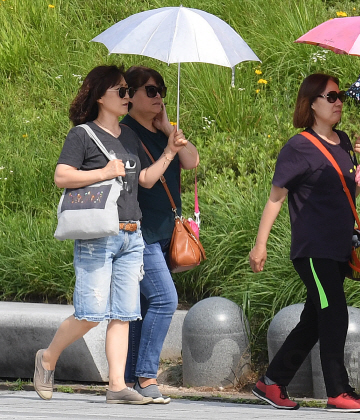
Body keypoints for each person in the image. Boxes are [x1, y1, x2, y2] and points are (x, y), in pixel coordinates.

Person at [33, 65, 187, 404]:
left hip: (133, 234)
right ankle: (47, 357)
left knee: (124, 313)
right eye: (122, 91)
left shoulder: (128, 136)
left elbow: (145, 180)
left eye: (128, 92)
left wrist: (170, 152)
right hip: (98, 235)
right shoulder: (83, 135)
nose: (127, 97)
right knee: (90, 313)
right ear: (101, 96)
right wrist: (104, 171)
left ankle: (117, 386)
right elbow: (62, 176)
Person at [248, 73, 360, 413]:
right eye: (331, 97)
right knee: (334, 314)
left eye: (340, 96)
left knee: (315, 320)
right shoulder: (298, 146)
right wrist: (260, 245)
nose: (338, 103)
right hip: (313, 249)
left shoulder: (345, 140)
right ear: (312, 103)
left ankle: (271, 382)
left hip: (339, 247)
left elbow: (351, 194)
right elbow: (276, 198)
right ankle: (338, 391)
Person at [122, 66, 199, 404]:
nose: (159, 97)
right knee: (165, 299)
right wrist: (168, 150)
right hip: (138, 232)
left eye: (162, 91)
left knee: (141, 305)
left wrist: (169, 130)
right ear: (132, 95)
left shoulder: (160, 129)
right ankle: (146, 376)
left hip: (164, 233)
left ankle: (128, 379)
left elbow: (192, 160)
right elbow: (146, 180)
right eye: (151, 91)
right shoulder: (124, 134)